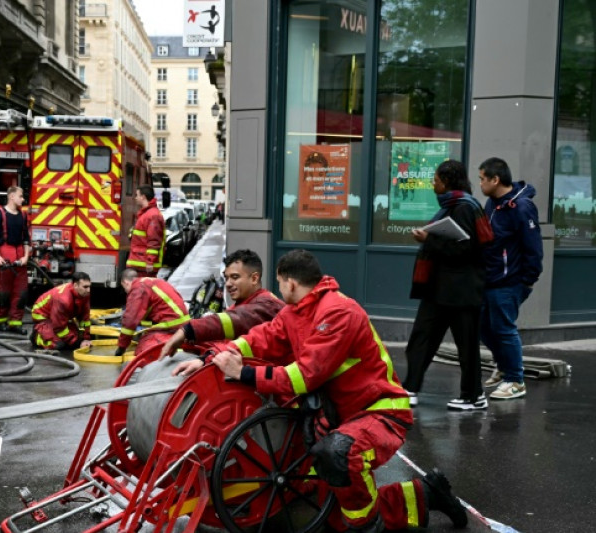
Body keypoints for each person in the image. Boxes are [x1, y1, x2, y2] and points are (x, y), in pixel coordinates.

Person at [180, 250, 467, 532]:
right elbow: (260, 338)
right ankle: (426, 495)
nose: (279, 290)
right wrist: (214, 358)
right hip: (342, 418)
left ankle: (367, 527)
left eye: (279, 283)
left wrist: (243, 373)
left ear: (291, 283)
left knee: (339, 454)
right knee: (334, 515)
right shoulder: (295, 312)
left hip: (378, 411)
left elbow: (303, 377)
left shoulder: (339, 312)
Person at [403, 160, 489, 410]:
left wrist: (429, 239)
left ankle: (473, 396)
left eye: (436, 180)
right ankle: (410, 388)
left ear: (448, 182)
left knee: (466, 346)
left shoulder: (464, 208)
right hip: (439, 289)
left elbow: (466, 249)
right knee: (421, 338)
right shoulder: (452, 207)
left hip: (461, 291)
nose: (433, 184)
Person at [478, 157, 543, 400]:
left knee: (504, 329)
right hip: (489, 278)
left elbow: (533, 247)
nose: (480, 184)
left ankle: (515, 380)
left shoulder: (522, 207)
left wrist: (528, 280)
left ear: (495, 180)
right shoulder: (492, 204)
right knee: (483, 327)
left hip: (510, 281)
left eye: (482, 179)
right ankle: (504, 365)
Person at [159, 249, 283, 366]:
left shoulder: (268, 305)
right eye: (226, 278)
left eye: (235, 277)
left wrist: (189, 330)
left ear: (254, 278)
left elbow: (234, 320)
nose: (228, 284)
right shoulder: (243, 304)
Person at [115, 268, 189, 358]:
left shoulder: (138, 288)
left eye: (124, 288)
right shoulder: (149, 282)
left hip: (171, 326)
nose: (126, 292)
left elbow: (130, 322)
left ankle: (173, 353)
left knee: (143, 349)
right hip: (183, 326)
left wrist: (121, 347)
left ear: (125, 282)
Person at [0, 186, 31, 334]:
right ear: (11, 196)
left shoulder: (23, 215)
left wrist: (26, 256)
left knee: (21, 293)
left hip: (20, 255)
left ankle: (15, 323)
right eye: (20, 196)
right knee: (3, 292)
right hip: (5, 254)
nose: (23, 199)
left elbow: (26, 238)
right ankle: (0, 321)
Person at [30, 272, 94, 351]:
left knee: (73, 337)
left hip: (57, 316)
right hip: (42, 316)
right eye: (85, 287)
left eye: (89, 286)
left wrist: (85, 338)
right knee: (59, 344)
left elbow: (85, 319)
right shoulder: (63, 299)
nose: (88, 290)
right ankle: (37, 336)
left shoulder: (84, 294)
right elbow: (59, 328)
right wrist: (77, 343)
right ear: (75, 285)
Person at [126, 185, 165, 277]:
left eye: (137, 195)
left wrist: (150, 261)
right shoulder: (147, 214)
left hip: (144, 265)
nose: (135, 198)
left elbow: (154, 241)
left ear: (143, 197)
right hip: (140, 263)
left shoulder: (152, 215)